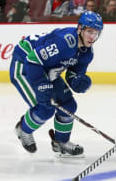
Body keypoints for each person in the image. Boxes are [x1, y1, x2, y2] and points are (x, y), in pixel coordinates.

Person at [10, 11, 103, 156]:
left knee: (69, 106)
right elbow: (33, 59)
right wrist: (42, 84)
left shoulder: (87, 53)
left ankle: (61, 142)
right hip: (24, 64)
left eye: (96, 33)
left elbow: (73, 73)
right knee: (45, 108)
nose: (92, 37)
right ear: (80, 29)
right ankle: (23, 130)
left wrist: (78, 81)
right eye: (89, 31)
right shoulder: (64, 42)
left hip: (46, 68)